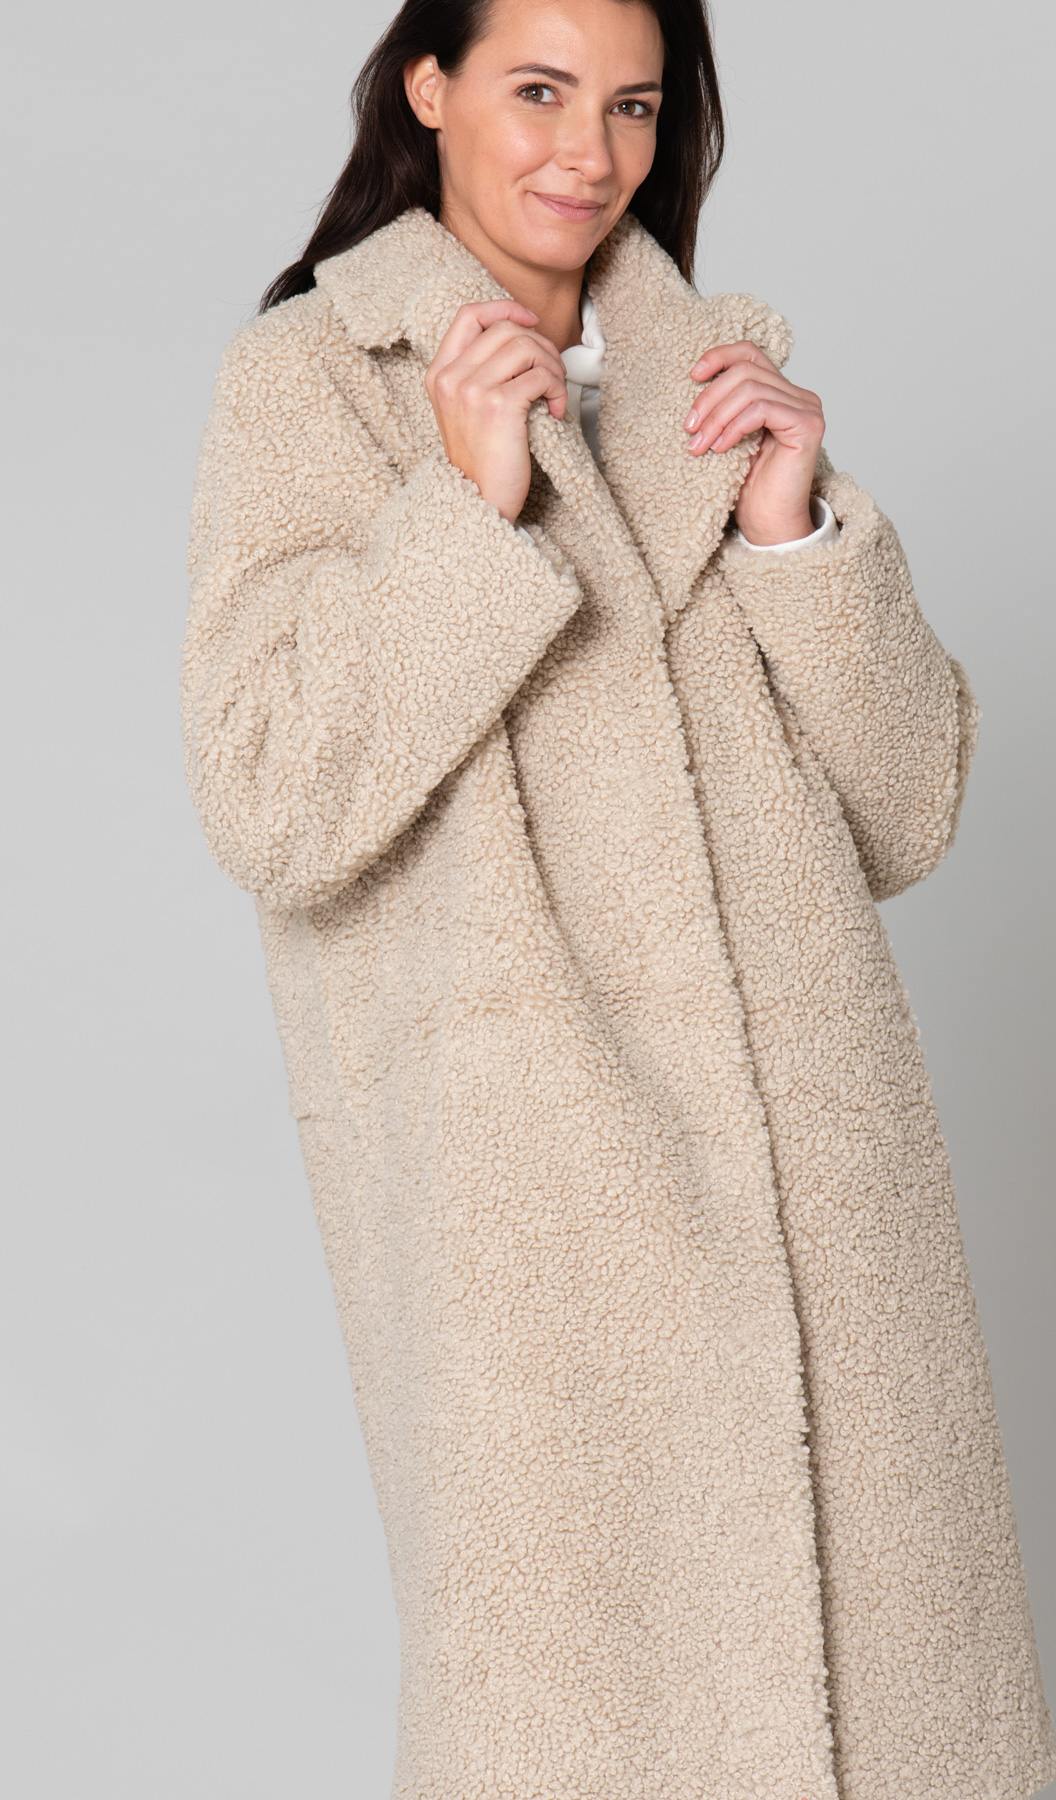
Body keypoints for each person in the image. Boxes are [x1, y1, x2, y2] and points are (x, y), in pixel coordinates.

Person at [179, 2, 1056, 1796]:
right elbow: (271, 791)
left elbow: (912, 809)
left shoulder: (712, 387)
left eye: (636, 105)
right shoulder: (314, 380)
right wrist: (465, 507)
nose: (592, 153)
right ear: (429, 86)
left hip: (834, 1204)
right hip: (546, 1224)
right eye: (540, 90)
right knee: (584, 1727)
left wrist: (798, 536)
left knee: (890, 1718)